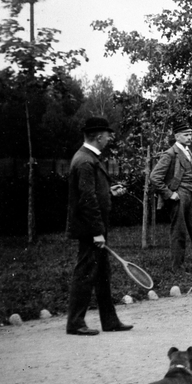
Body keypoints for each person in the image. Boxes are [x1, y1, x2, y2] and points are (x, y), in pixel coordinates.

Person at [66, 116, 132, 336]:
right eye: (107, 134)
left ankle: (110, 321)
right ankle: (75, 323)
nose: (110, 138)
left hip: (95, 228)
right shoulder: (85, 160)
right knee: (85, 273)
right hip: (90, 229)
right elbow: (87, 199)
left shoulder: (88, 158)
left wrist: (109, 192)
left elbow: (93, 192)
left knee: (103, 274)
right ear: (98, 136)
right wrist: (97, 232)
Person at [150, 119, 192, 274]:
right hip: (179, 196)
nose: (190, 137)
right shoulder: (170, 154)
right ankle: (178, 270)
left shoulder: (188, 151)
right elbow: (154, 177)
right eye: (186, 135)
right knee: (179, 233)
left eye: (190, 134)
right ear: (177, 136)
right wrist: (169, 194)